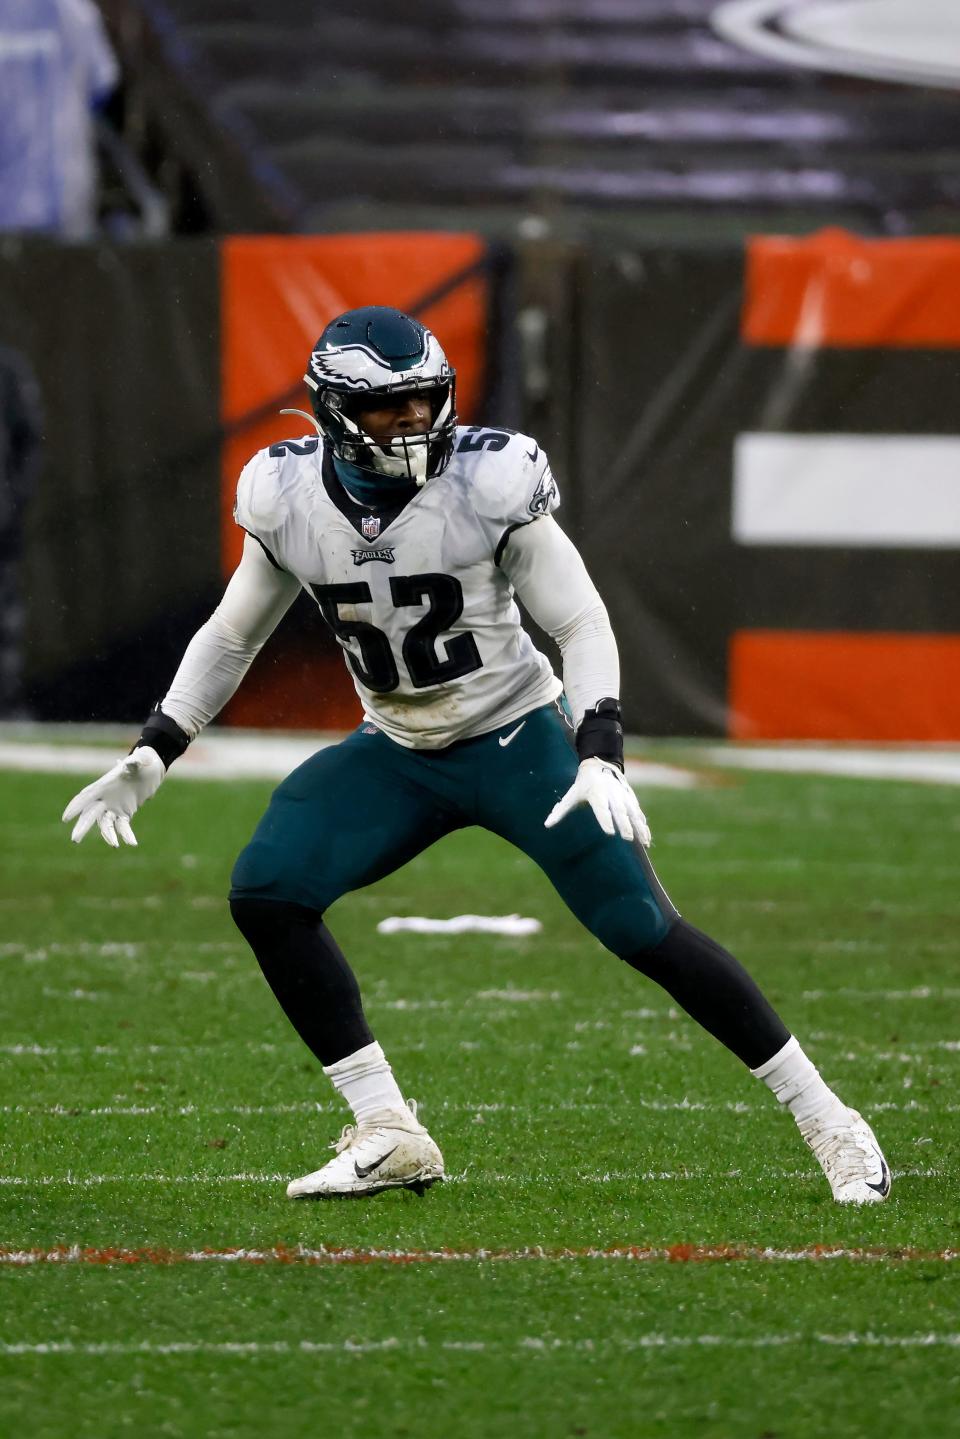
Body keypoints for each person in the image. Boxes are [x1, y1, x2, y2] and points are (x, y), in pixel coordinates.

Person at [62, 305, 890, 1205]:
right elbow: (231, 638)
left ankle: (830, 1121)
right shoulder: (286, 496)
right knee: (268, 889)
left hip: (515, 736)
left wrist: (599, 749)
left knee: (641, 928)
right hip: (399, 748)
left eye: (424, 400)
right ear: (336, 410)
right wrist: (157, 747)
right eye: (389, 408)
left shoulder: (488, 479)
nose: (414, 420)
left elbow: (579, 618)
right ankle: (387, 1128)